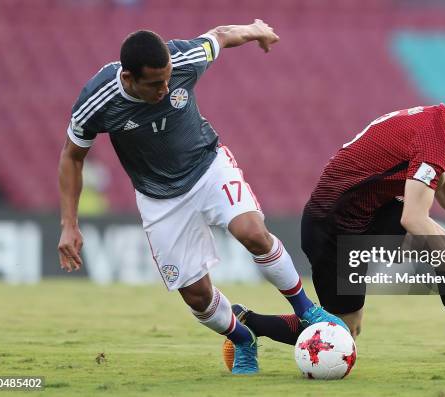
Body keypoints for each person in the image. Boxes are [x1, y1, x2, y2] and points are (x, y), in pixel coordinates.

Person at [57, 21, 347, 375]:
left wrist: (256, 29)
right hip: (160, 199)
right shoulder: (98, 101)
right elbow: (72, 156)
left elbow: (221, 35)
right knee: (196, 297)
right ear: (129, 77)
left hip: (208, 166)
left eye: (168, 79)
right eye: (154, 83)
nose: (165, 88)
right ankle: (243, 338)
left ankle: (306, 310)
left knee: (252, 232)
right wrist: (69, 224)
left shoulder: (183, 59)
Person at [230, 77, 445, 374]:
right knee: (342, 333)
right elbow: (412, 218)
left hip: (366, 215)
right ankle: (247, 324)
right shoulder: (433, 138)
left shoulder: (435, 124)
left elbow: (441, 184)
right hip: (331, 227)